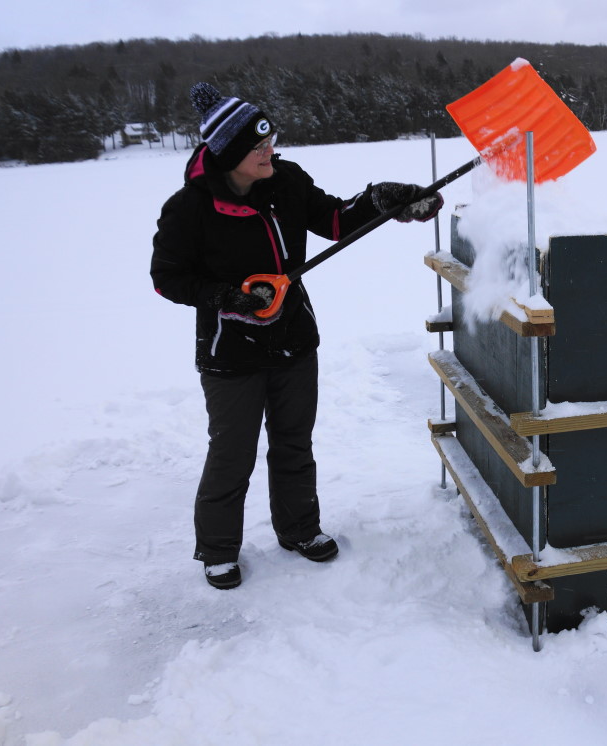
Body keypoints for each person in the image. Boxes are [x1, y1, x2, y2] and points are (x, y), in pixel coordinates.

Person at [151, 82, 443, 589]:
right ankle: (218, 549)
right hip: (230, 353)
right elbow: (167, 278)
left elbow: (332, 220)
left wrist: (380, 201)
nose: (270, 150)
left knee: (293, 444)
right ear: (227, 153)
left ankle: (300, 530)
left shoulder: (286, 181)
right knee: (232, 454)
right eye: (258, 145)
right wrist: (228, 297)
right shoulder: (188, 209)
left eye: (270, 140)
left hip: (293, 339)